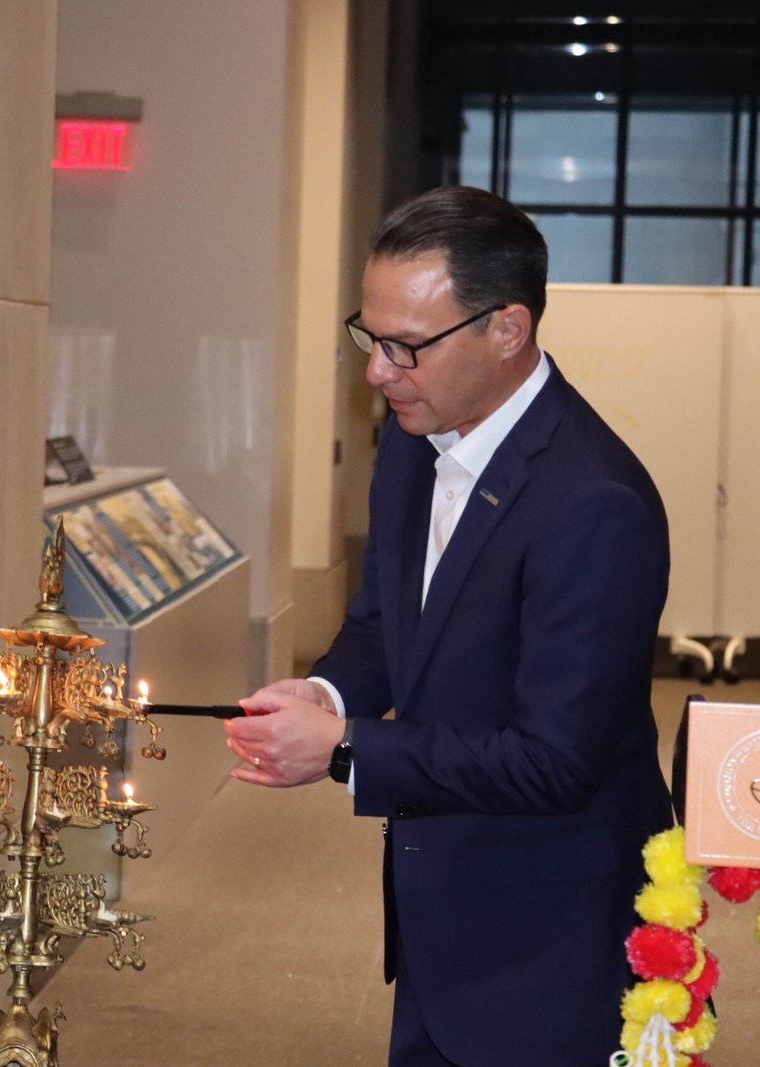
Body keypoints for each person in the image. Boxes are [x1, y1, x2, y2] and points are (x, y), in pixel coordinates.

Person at [225, 186, 674, 1066]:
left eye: (406, 347)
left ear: (507, 330)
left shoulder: (595, 503)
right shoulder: (410, 441)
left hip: (550, 934)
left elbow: (555, 760)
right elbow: (387, 624)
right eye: (369, 336)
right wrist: (321, 690)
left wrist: (345, 747)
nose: (377, 372)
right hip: (439, 916)